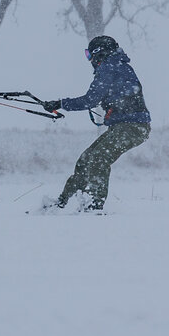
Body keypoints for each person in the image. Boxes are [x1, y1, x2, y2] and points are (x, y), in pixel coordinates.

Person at [40, 35, 151, 212]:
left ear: (98, 53)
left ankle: (94, 206)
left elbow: (90, 100)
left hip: (132, 127)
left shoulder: (109, 67)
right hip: (126, 126)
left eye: (89, 55)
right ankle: (62, 203)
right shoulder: (116, 65)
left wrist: (60, 103)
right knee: (86, 160)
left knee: (99, 158)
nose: (89, 59)